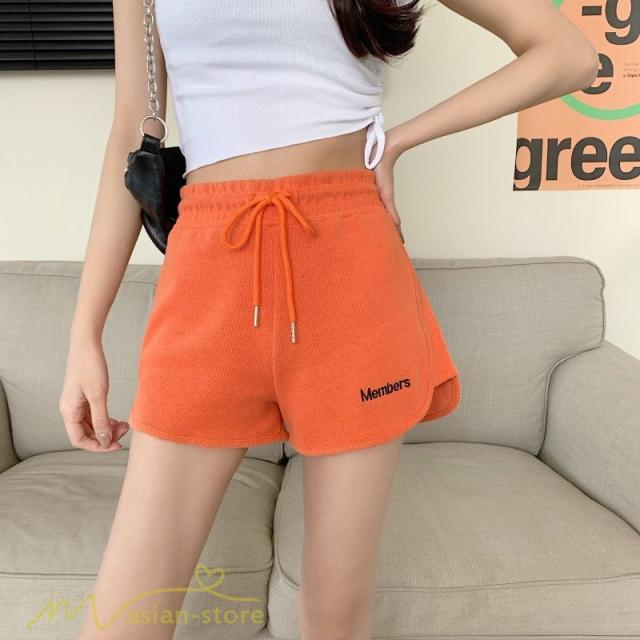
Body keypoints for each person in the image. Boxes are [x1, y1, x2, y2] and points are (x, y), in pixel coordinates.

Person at [59, 1, 599, 638]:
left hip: (350, 271)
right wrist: (84, 333)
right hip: (208, 276)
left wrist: (399, 140)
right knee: (125, 618)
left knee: (334, 617)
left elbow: (568, 55)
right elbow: (131, 131)